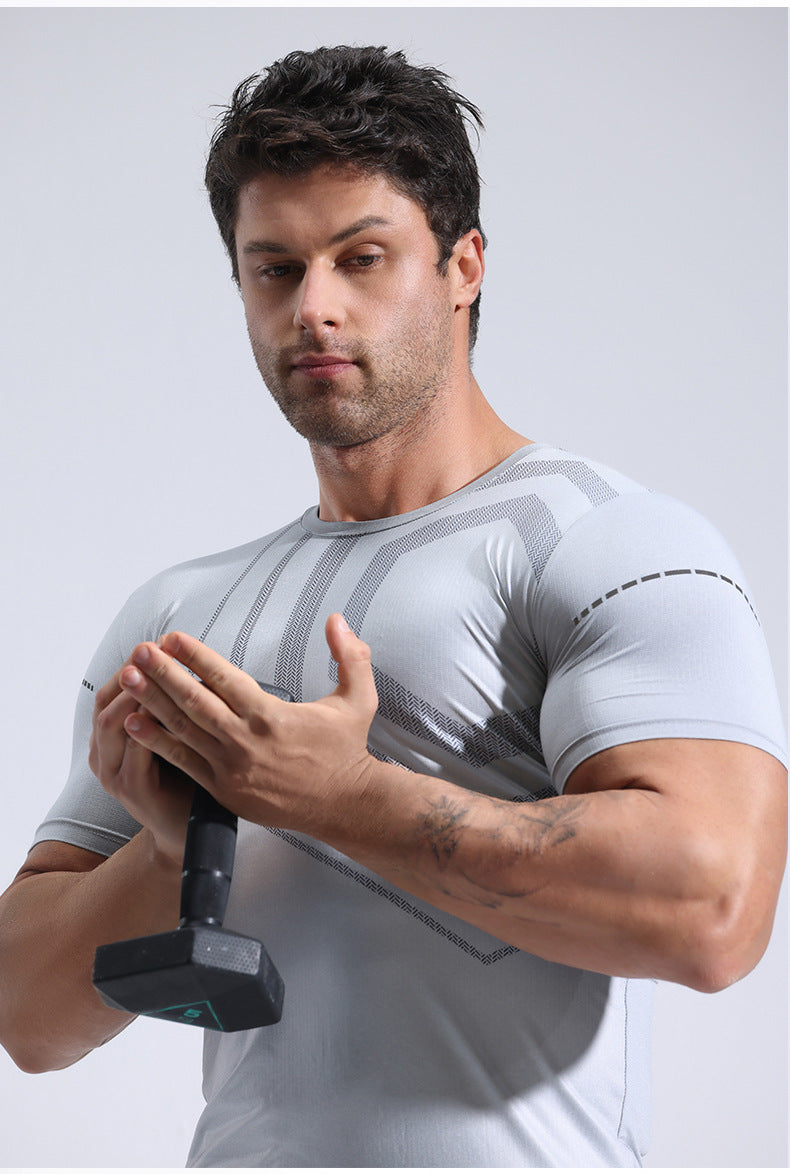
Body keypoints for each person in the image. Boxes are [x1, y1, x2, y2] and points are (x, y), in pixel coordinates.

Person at [0, 44, 786, 1168]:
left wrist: (338, 796)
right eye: (274, 269)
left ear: (464, 265)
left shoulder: (608, 542)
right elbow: (26, 1017)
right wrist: (170, 855)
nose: (313, 308)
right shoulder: (182, 610)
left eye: (360, 258)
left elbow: (712, 907)